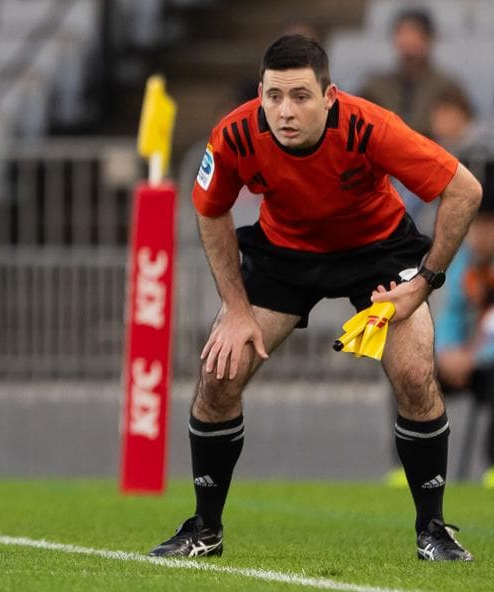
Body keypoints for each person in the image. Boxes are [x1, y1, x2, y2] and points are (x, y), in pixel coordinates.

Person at [150, 35, 482, 561]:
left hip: (378, 252)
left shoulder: (368, 124)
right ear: (260, 94)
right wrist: (236, 310)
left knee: (416, 374)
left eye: (302, 96)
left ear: (330, 97)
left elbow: (465, 189)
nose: (286, 111)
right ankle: (204, 529)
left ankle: (433, 530)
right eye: (275, 96)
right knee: (219, 376)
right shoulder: (234, 134)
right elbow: (210, 210)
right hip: (285, 256)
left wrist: (423, 282)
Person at [432, 161, 494, 487]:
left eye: (486, 226)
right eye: (474, 227)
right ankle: (410, 468)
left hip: (485, 363)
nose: (478, 236)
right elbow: (451, 313)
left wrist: (475, 358)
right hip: (464, 360)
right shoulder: (464, 265)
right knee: (414, 372)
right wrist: (446, 352)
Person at [359, 7, 471, 134]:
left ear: (429, 38)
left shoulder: (447, 87)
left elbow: (461, 130)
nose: (407, 39)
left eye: (414, 33)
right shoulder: (375, 87)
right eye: (401, 33)